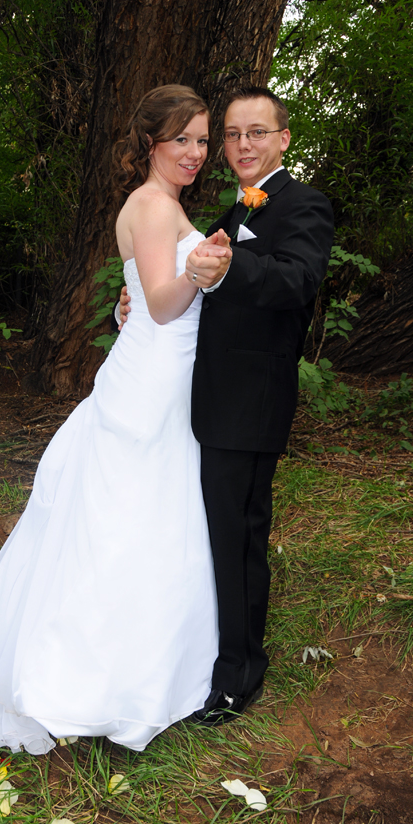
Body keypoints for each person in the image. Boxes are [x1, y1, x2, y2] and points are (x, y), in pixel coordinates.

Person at [0, 84, 232, 754]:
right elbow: (161, 303)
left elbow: (138, 296)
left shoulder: (152, 205)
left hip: (156, 369)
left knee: (142, 512)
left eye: (202, 139)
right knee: (136, 514)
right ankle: (108, 678)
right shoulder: (154, 207)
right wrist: (206, 269)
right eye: (182, 138)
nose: (195, 151)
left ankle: (142, 665)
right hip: (156, 376)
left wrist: (182, 278)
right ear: (151, 144)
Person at [120, 87, 334, 726]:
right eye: (233, 134)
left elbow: (295, 282)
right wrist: (130, 307)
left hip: (250, 402)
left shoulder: (305, 206)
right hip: (204, 399)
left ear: (283, 139)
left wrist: (226, 267)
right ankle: (200, 656)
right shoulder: (224, 207)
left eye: (256, 132)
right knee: (209, 534)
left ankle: (240, 676)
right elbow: (180, 293)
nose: (242, 144)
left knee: (239, 540)